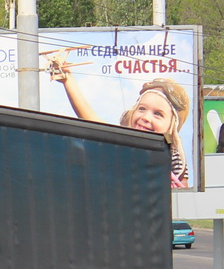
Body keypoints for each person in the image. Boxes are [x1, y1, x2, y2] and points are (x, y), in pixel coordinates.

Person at [49, 55, 190, 187]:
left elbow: (182, 195)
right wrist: (68, 81)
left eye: (158, 114)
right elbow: (92, 121)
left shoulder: (174, 159)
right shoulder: (123, 144)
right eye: (141, 109)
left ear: (172, 126)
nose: (146, 118)